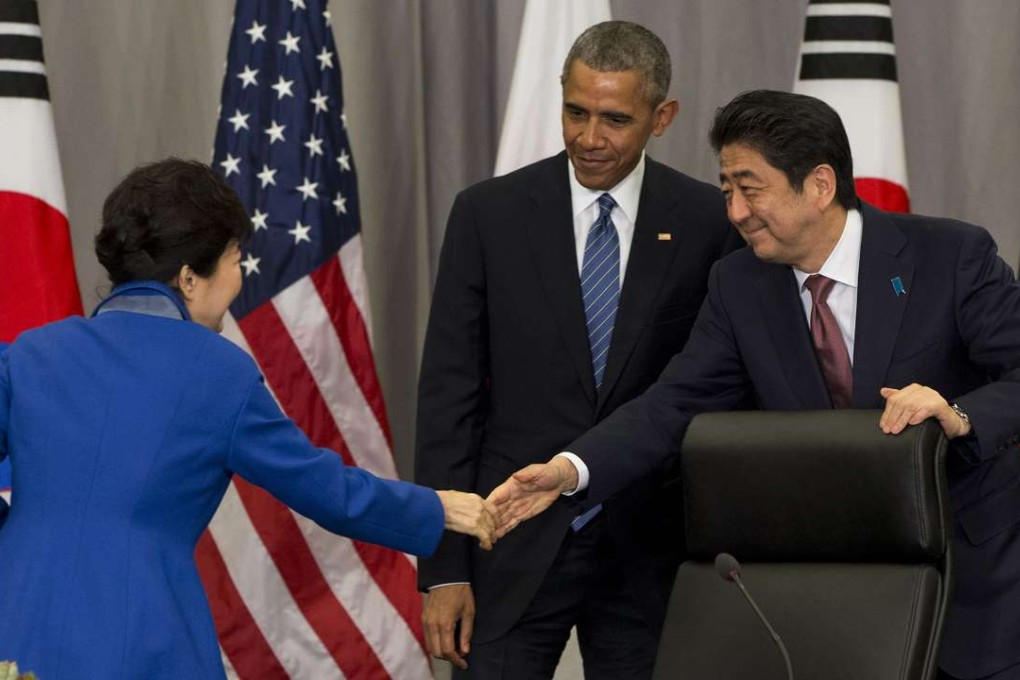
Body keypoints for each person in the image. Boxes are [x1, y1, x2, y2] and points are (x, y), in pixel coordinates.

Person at [491, 89, 1020, 680]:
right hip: (838, 591)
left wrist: (958, 413)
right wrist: (569, 470)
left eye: (750, 188)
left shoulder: (949, 255)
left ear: (819, 185)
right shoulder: (739, 285)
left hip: (974, 581)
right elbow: (672, 406)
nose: (736, 212)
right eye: (726, 192)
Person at [0, 158, 499, 680]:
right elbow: (325, 490)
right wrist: (436, 508)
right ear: (189, 278)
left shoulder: (30, 353)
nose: (239, 279)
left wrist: (19, 535)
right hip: (144, 637)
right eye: (237, 260)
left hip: (13, 621)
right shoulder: (216, 371)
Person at [415, 20, 740, 679]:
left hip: (652, 551)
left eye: (615, 119)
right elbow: (448, 398)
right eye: (575, 111)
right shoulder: (487, 214)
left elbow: (718, 388)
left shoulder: (710, 220)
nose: (589, 139)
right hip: (507, 546)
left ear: (662, 116)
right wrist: (443, 568)